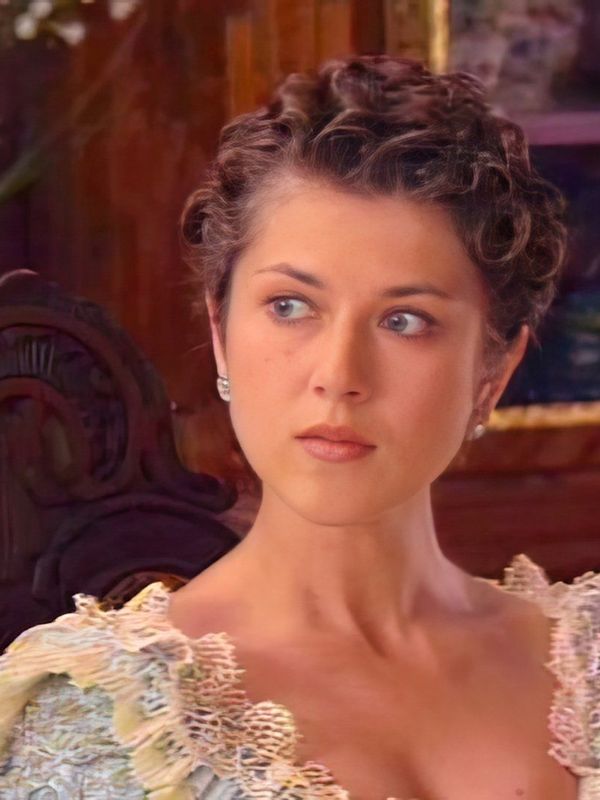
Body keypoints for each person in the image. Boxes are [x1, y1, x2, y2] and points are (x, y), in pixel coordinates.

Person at [0, 54, 596, 800]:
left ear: (492, 375)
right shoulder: (100, 722)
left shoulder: (585, 664)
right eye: (290, 307)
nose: (338, 374)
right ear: (220, 334)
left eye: (405, 321)